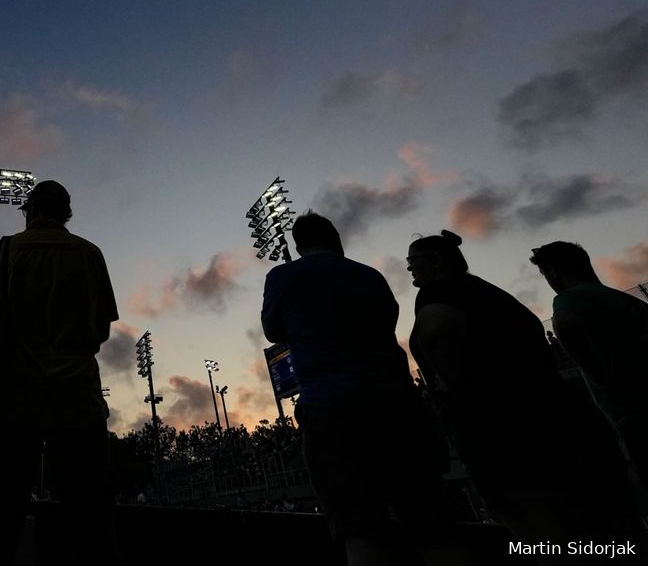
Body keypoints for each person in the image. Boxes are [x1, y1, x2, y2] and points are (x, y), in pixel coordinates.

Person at [407, 231, 643, 545]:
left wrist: (455, 396)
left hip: (508, 443)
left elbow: (437, 328)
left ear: (435, 262)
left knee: (546, 539)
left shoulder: (437, 296)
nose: (410, 269)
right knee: (615, 533)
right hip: (569, 426)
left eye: (414, 261)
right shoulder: (493, 295)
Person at [262, 212, 470, 566]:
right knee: (432, 528)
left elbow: (272, 331)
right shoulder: (369, 275)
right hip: (398, 406)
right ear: (337, 239)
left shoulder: (282, 276)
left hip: (333, 414)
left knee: (360, 532)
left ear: (298, 246)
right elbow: (387, 320)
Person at [0, 180, 119, 565]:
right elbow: (101, 328)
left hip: (14, 399)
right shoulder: (90, 253)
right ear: (66, 213)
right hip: (77, 397)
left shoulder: (5, 251)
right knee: (88, 518)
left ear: (30, 211)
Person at [531, 240, 648, 484]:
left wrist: (600, 375)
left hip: (633, 418)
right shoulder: (630, 302)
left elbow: (565, 323)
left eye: (544, 273)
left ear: (552, 271)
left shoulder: (569, 300)